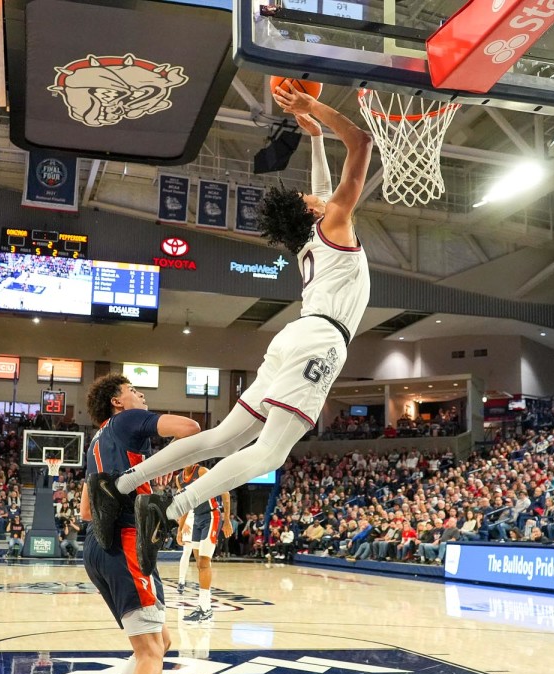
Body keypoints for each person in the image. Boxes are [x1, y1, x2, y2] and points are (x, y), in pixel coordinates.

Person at [90, 85, 373, 558]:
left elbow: (323, 188)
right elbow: (362, 143)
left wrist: (317, 140)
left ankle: (120, 485)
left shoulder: (311, 238)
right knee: (270, 453)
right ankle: (172, 507)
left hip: (296, 335)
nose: (315, 193)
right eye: (310, 197)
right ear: (313, 212)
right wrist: (313, 110)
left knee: (225, 436)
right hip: (320, 340)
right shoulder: (334, 224)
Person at [75, 373, 199, 674]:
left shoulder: (96, 442)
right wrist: (160, 474)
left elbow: (86, 510)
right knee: (150, 652)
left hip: (98, 547)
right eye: (133, 390)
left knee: (158, 641)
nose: (140, 395)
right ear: (117, 402)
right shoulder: (129, 422)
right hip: (126, 544)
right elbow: (190, 430)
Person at [173, 463, 233, 623]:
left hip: (212, 517)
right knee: (200, 563)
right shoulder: (179, 479)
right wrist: (180, 529)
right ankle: (204, 607)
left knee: (204, 562)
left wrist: (227, 520)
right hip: (197, 519)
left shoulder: (201, 471)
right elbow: (185, 506)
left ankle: (205, 608)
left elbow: (225, 492)